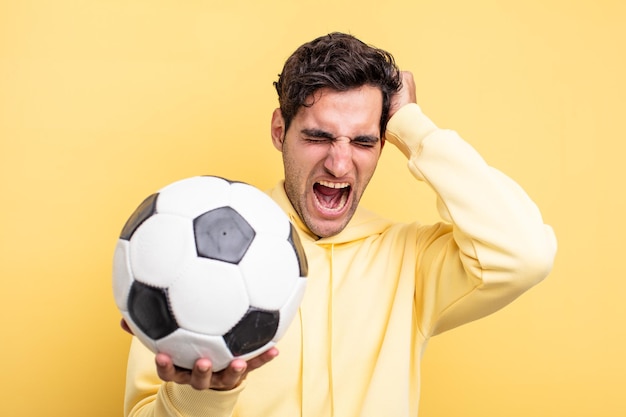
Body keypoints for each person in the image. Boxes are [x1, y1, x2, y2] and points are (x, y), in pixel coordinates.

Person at [121, 32, 557, 417]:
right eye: (319, 136)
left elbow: (525, 253)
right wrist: (203, 399)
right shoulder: (192, 249)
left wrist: (412, 126)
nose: (340, 161)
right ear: (279, 131)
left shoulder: (409, 261)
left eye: (364, 141)